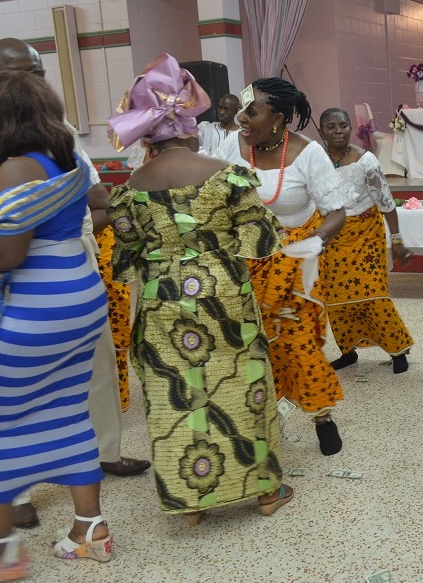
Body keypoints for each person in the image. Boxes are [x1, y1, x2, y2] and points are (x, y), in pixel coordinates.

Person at [0, 38, 149, 530]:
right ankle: (23, 493)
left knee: (72, 387)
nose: (25, 82)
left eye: (34, 72)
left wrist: (39, 235)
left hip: (58, 273)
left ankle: (103, 455)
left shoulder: (58, 132)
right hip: (15, 287)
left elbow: (94, 197)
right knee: (35, 400)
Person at [0, 71, 115, 581]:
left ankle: (1, 549)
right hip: (78, 293)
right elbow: (97, 203)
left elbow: (6, 256)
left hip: (35, 306)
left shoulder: (14, 169)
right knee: (69, 407)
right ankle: (88, 529)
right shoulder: (68, 158)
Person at [107, 54, 293, 525]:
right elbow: (262, 240)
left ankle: (191, 503)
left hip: (162, 300)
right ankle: (266, 493)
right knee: (242, 386)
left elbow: (127, 252)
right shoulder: (226, 174)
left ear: (147, 133)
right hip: (224, 294)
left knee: (177, 396)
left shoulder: (131, 187)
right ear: (192, 124)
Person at [230, 78, 350, 456]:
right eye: (243, 109)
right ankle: (262, 415)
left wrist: (302, 248)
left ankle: (322, 416)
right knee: (251, 343)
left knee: (296, 340)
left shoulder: (308, 153)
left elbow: (336, 214)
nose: (242, 118)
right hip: (244, 259)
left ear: (279, 118)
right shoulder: (230, 146)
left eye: (252, 111)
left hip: (295, 262)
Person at [317, 107, 415, 373]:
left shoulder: (366, 160)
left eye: (343, 126)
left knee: (372, 294)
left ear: (351, 128)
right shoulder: (317, 160)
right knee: (336, 298)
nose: (338, 132)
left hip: (365, 235)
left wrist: (396, 239)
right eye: (331, 127)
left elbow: (386, 202)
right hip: (332, 236)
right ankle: (347, 350)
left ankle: (398, 350)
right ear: (321, 131)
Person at [196, 92, 240, 159]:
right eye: (220, 108)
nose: (222, 112)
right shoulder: (205, 128)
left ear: (236, 111)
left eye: (226, 109)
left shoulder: (241, 133)